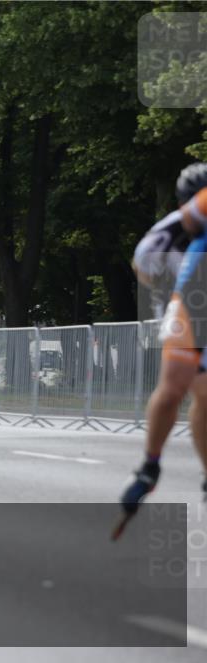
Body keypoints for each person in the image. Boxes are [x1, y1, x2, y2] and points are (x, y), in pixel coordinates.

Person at [119, 168, 207, 526]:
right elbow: (147, 270)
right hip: (186, 305)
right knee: (173, 388)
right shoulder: (162, 241)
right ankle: (149, 466)